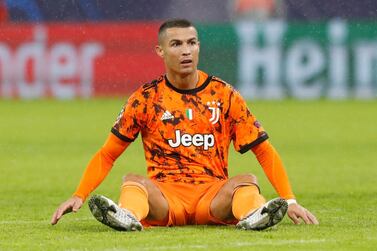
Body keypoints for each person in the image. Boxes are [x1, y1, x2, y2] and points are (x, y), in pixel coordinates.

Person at [51, 19, 318, 231]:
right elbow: (108, 154)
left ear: (199, 46)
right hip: (165, 199)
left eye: (191, 43)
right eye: (176, 44)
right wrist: (79, 194)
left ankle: (253, 215)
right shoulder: (145, 98)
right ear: (160, 51)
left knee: (246, 181)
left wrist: (290, 200)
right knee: (132, 180)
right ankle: (127, 216)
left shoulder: (224, 95)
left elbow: (264, 150)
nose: (186, 50)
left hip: (212, 197)